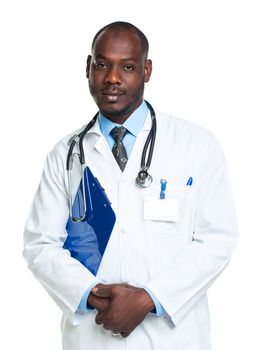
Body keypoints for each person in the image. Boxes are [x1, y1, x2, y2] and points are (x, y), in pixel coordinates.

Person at [23, 21, 238, 350]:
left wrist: (147, 300)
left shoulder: (197, 146)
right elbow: (40, 244)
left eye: (127, 67)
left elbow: (216, 240)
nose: (112, 78)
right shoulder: (65, 156)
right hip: (93, 338)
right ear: (87, 68)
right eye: (102, 65)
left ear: (147, 70)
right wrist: (94, 297)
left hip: (173, 339)